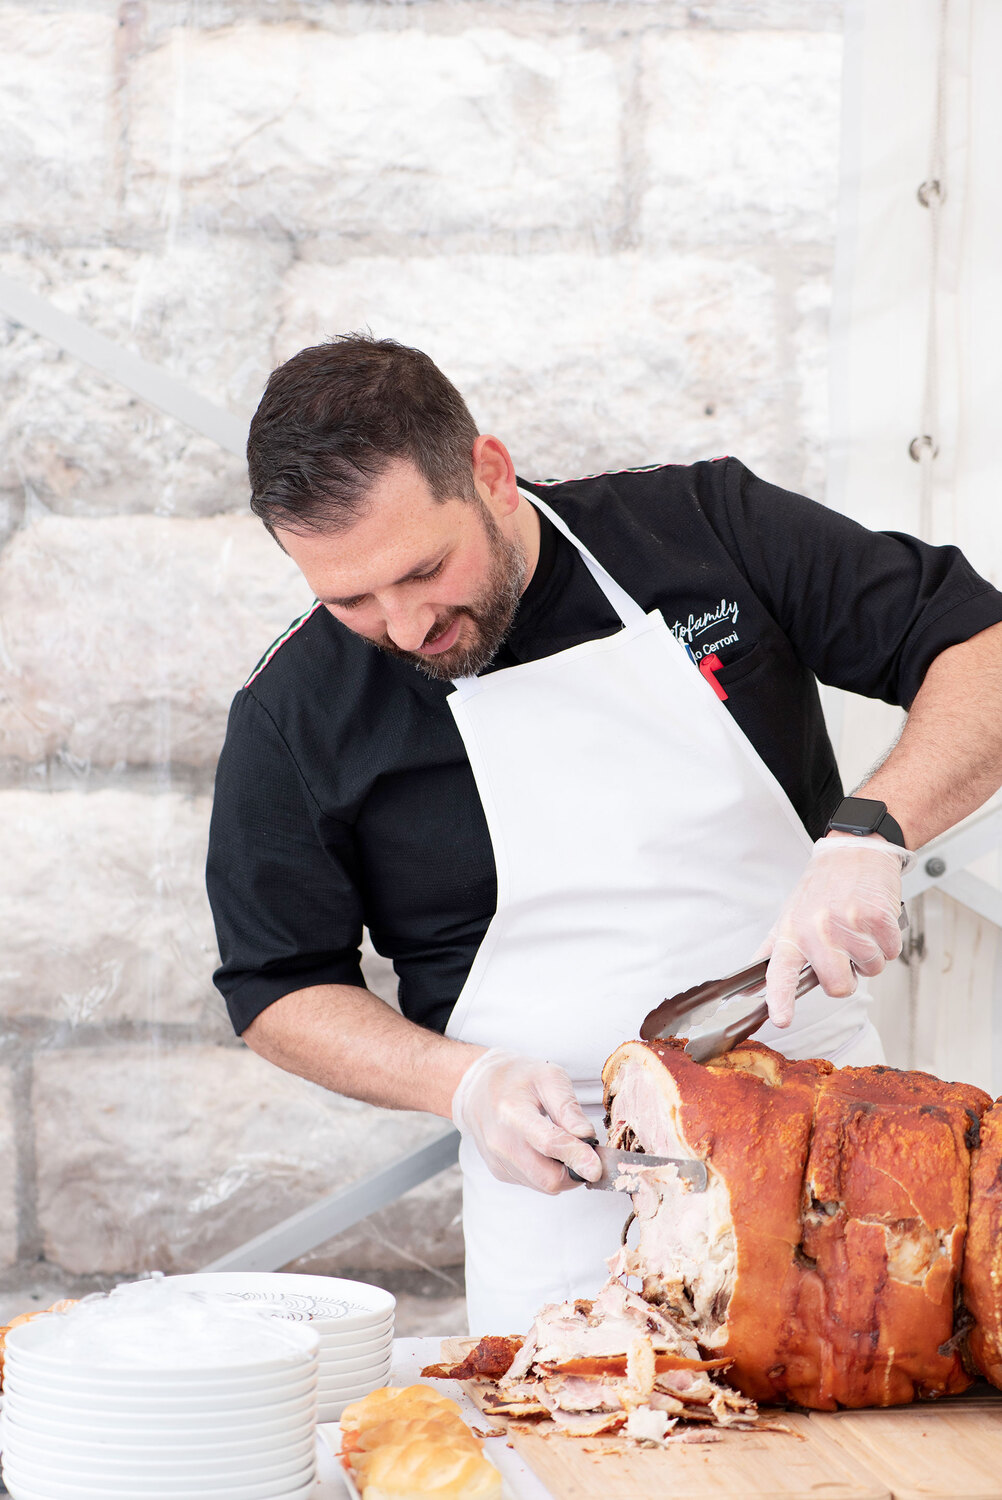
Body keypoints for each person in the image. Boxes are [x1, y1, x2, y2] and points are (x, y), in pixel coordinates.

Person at [206, 335, 1002, 1334]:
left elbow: (983, 646)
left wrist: (873, 833)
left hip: (835, 1166)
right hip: (561, 1219)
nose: (405, 626)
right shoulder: (294, 713)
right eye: (349, 599)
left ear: (489, 474)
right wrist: (463, 1084)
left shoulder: (703, 530)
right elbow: (276, 986)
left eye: (424, 570)